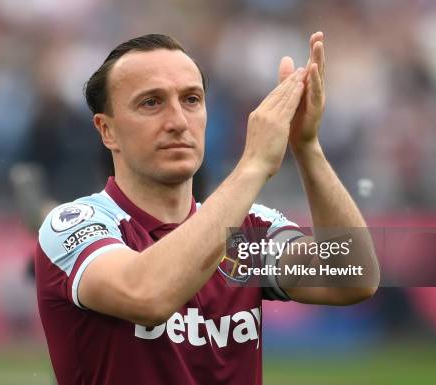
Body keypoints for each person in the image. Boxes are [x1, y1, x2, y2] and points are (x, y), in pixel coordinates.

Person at [35, 33, 379, 385]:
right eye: (151, 103)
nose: (178, 121)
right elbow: (148, 295)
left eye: (191, 99)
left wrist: (306, 145)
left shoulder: (248, 230)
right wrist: (253, 165)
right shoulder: (75, 225)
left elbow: (351, 278)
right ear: (107, 131)